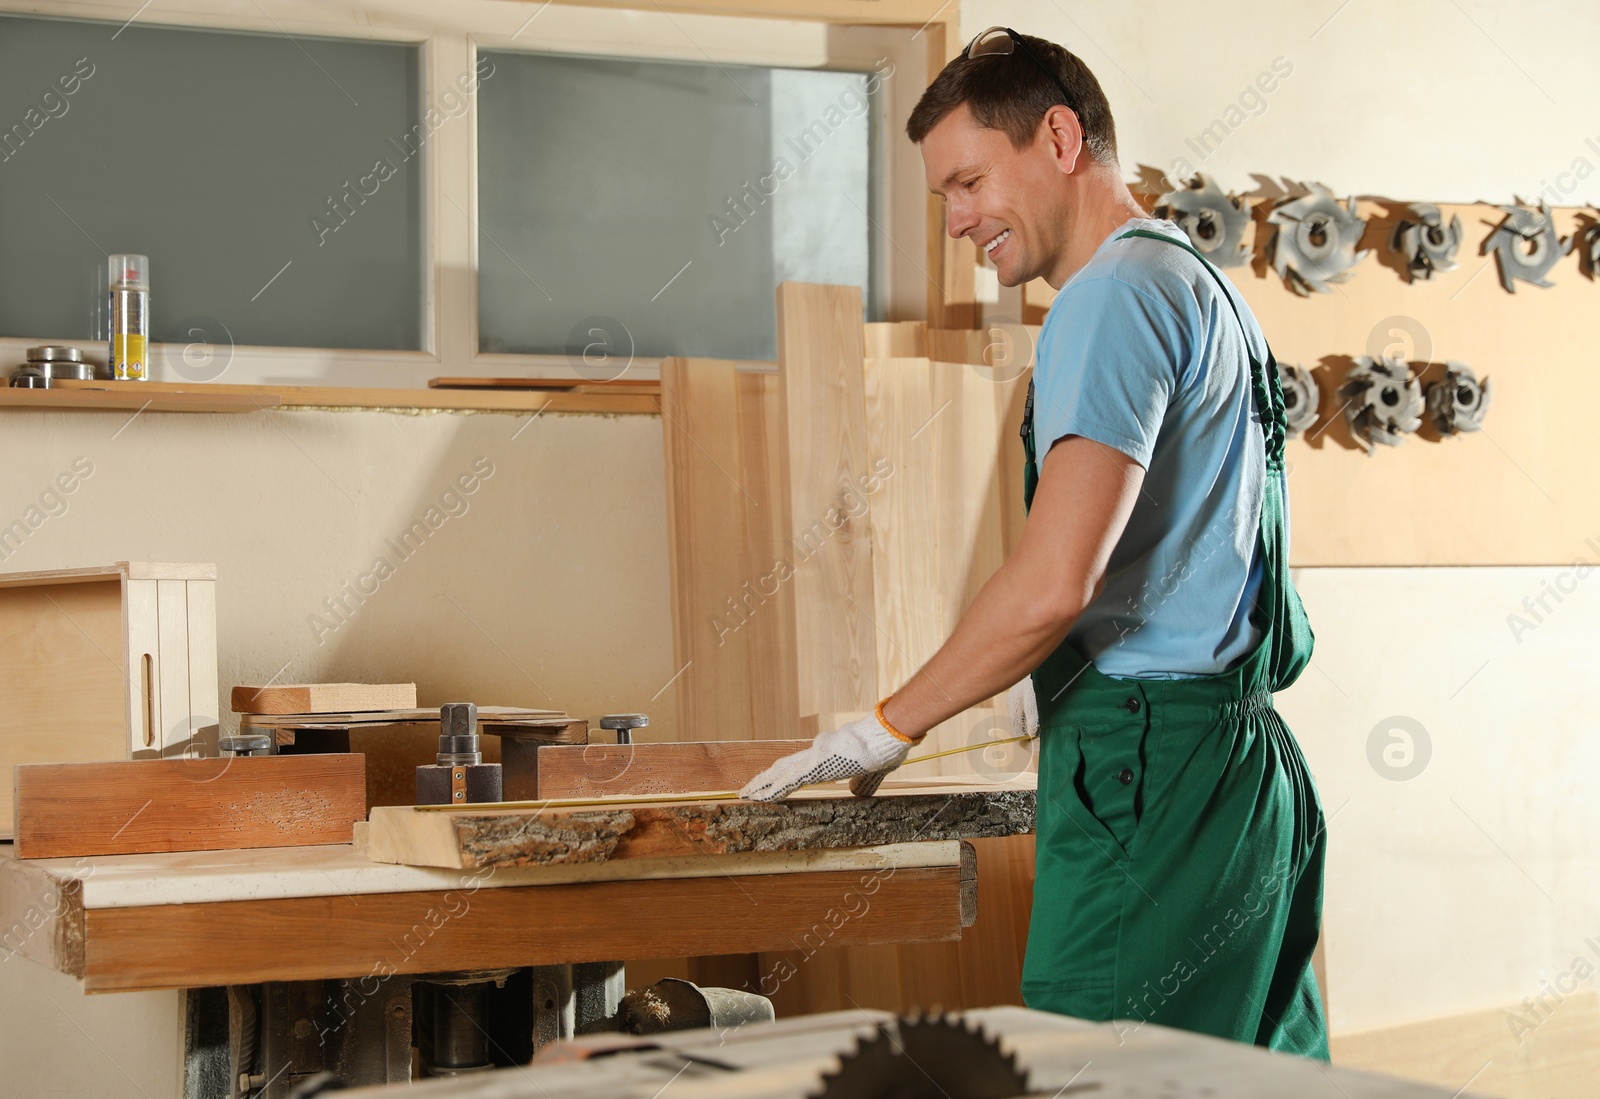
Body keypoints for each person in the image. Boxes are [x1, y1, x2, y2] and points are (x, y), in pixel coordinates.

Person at [739, 28, 1328, 1058]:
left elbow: (1057, 580)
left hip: (1150, 774)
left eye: (968, 182)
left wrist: (888, 722)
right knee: (1247, 1084)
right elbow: (1174, 548)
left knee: (1090, 1077)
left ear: (1058, 138)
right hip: (1243, 771)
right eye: (943, 199)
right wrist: (1051, 671)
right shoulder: (1202, 284)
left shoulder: (1107, 297)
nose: (958, 221)